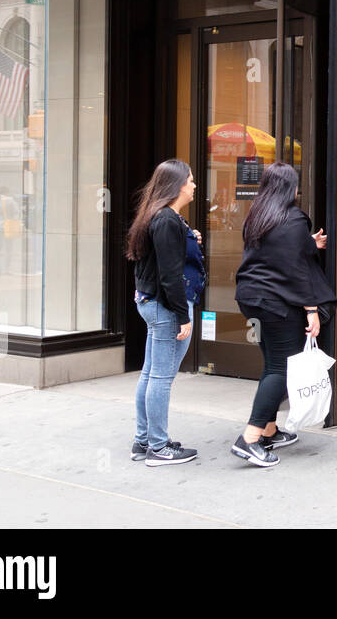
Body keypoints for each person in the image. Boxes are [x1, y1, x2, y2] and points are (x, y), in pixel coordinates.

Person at [233, 162, 337, 467]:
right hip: (275, 304)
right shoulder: (292, 219)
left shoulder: (259, 216)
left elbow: (279, 253)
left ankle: (269, 429)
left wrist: (309, 244)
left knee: (273, 363)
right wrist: (311, 310)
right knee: (283, 369)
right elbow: (296, 269)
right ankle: (249, 438)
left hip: (251, 299)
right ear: (290, 189)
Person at [128, 159, 199, 466]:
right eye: (191, 180)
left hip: (151, 302)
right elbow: (170, 275)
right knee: (161, 376)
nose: (194, 185)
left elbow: (156, 261)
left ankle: (144, 441)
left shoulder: (158, 216)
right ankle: (158, 447)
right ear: (178, 185)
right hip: (165, 307)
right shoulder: (167, 219)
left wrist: (189, 239)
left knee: (150, 373)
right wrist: (183, 316)